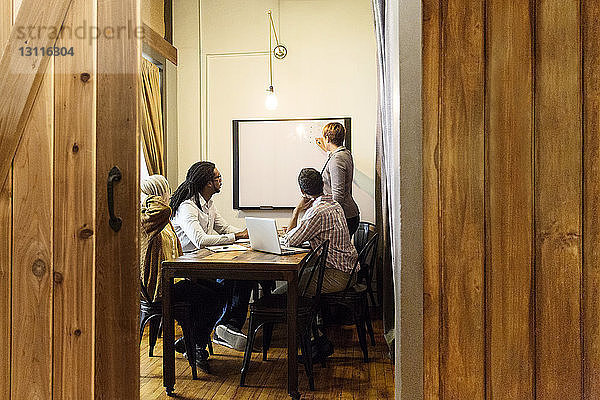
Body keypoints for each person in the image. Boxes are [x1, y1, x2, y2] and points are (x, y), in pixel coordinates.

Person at [140, 175, 222, 373]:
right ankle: (196, 344)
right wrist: (156, 198)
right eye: (166, 190)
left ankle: (191, 341)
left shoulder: (158, 219)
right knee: (211, 297)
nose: (171, 194)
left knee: (216, 290)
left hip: (167, 280)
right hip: (158, 289)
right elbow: (164, 209)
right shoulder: (150, 216)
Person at [170, 161, 252, 352]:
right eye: (218, 177)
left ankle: (218, 331)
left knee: (239, 280)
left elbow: (223, 228)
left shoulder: (208, 203)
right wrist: (236, 237)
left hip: (203, 261)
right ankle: (206, 336)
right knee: (223, 290)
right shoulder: (187, 206)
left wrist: (246, 235)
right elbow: (200, 240)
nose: (221, 180)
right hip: (188, 264)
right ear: (207, 183)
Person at [282, 168, 358, 295]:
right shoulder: (334, 204)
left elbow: (289, 241)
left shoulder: (316, 212)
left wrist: (296, 211)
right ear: (323, 184)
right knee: (302, 274)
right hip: (351, 270)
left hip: (338, 276)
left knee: (288, 289)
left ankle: (298, 313)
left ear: (302, 191)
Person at [318, 122, 360, 237]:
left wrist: (331, 220)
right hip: (349, 214)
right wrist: (326, 149)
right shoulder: (345, 154)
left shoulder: (337, 160)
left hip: (344, 216)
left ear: (327, 138)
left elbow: (338, 195)